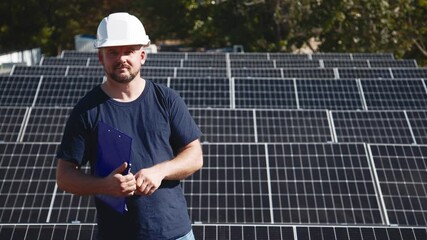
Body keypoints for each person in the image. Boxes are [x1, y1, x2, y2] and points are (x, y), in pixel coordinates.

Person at [56, 12, 203, 240]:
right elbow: (65, 175)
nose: (121, 58)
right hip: (117, 234)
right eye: (113, 52)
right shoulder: (87, 110)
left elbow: (194, 155)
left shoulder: (166, 99)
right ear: (100, 58)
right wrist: (105, 185)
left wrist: (160, 171)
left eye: (129, 52)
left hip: (175, 232)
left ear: (142, 56)